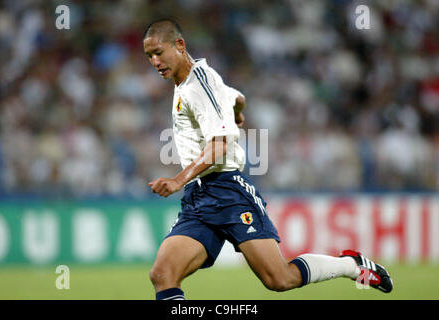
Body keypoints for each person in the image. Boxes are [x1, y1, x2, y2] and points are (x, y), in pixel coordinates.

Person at [143, 19, 393, 300]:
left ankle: (351, 265)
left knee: (280, 279)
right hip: (199, 196)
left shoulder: (198, 83)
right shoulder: (192, 81)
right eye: (149, 56)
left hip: (227, 190)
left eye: (158, 52)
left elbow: (222, 145)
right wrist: (237, 112)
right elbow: (238, 96)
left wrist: (178, 180)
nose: (154, 61)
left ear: (179, 45)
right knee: (163, 275)